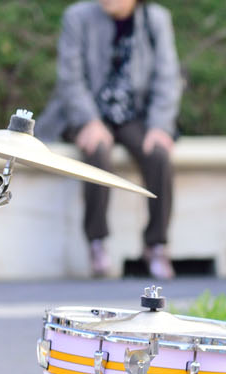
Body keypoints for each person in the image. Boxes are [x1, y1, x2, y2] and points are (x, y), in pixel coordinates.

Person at [42, 0, 181, 279]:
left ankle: (156, 244)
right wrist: (89, 121)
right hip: (86, 112)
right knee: (97, 151)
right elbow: (70, 79)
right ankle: (97, 242)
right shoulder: (77, 17)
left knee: (158, 154)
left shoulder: (156, 19)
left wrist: (160, 126)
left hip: (133, 114)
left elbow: (168, 77)